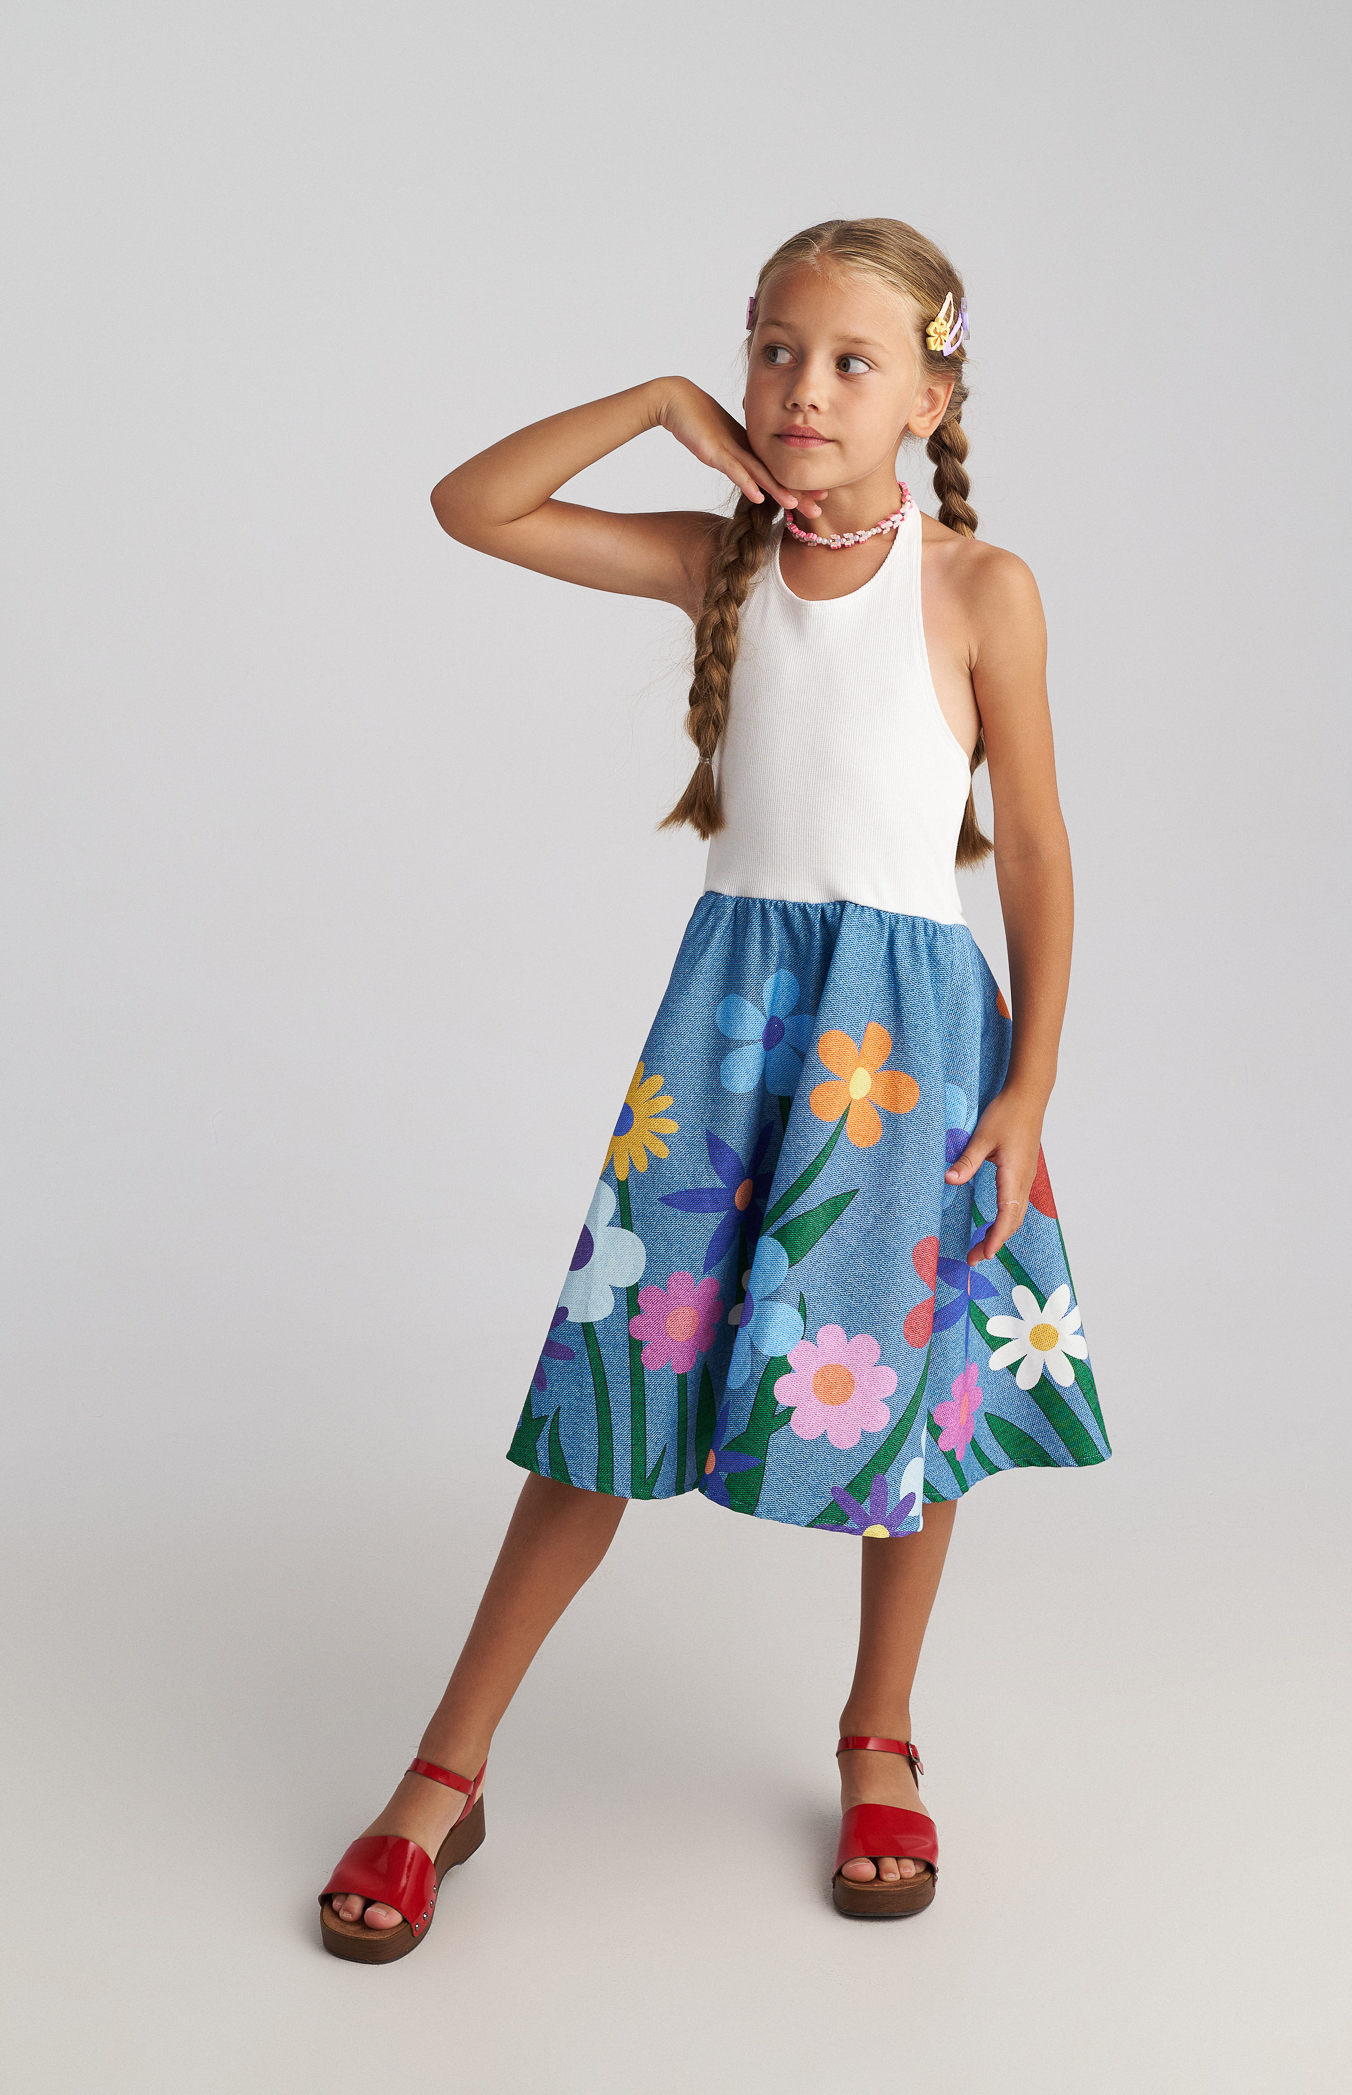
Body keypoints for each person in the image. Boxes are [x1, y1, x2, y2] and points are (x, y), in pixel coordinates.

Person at [317, 217, 1111, 1959]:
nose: (802, 387)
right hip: (731, 1039)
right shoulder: (716, 561)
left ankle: (880, 1732)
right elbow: (475, 506)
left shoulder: (981, 589)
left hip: (909, 1051)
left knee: (911, 1399)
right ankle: (446, 1771)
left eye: (850, 361)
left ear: (929, 398)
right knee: (609, 1385)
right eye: (773, 350)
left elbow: (1041, 848)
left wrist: (1033, 1086)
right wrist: (658, 401)